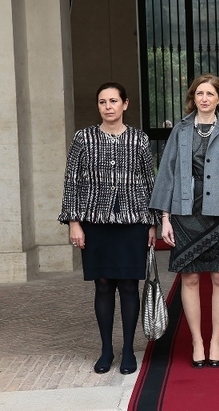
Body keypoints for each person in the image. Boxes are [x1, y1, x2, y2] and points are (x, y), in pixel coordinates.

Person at [150, 74, 219, 368]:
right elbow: (168, 174)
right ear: (193, 97)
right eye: (199, 93)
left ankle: (216, 341)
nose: (204, 98)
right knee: (188, 278)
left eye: (210, 93)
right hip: (185, 212)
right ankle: (197, 342)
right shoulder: (181, 130)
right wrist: (165, 218)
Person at [58, 82, 158, 375]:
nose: (108, 106)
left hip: (132, 223)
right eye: (103, 102)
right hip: (95, 223)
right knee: (103, 284)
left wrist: (152, 223)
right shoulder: (83, 139)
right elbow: (71, 181)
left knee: (128, 284)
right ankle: (106, 349)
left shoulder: (139, 139)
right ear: (99, 106)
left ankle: (128, 350)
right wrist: (74, 223)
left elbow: (148, 182)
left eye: (114, 101)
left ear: (125, 104)